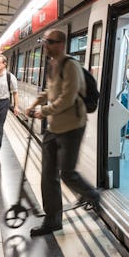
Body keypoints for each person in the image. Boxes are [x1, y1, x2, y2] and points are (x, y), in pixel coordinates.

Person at [26, 29, 100, 237]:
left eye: (50, 42)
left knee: (67, 173)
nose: (45, 45)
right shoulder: (53, 65)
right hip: (54, 127)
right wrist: (34, 103)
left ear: (61, 44)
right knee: (48, 177)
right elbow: (51, 91)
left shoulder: (71, 66)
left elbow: (67, 98)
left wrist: (44, 111)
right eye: (45, 41)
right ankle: (52, 221)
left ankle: (92, 194)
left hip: (72, 127)